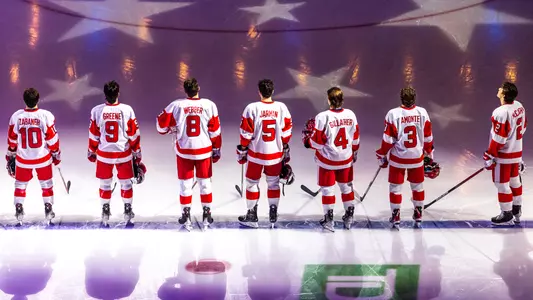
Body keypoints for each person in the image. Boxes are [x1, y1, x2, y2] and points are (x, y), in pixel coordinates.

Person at [156, 78, 222, 230]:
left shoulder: (176, 105)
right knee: (205, 183)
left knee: (185, 185)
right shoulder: (209, 105)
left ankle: (186, 215)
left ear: (185, 90)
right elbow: (215, 131)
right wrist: (216, 149)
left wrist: (170, 129)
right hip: (204, 150)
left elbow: (160, 126)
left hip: (184, 151)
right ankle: (207, 214)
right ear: (198, 88)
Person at [375, 87, 437, 228]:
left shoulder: (393, 114)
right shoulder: (423, 113)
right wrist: (429, 153)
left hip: (398, 159)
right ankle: (419, 213)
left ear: (401, 98)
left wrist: (381, 154)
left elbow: (388, 140)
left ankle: (396, 215)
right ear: (414, 98)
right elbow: (428, 137)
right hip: (416, 157)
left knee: (395, 187)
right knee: (418, 187)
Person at [237, 79, 293, 228]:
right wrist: (284, 145)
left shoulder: (252, 108)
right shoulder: (281, 108)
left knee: (251, 183)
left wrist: (242, 149)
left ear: (259, 92)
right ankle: (273, 213)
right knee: (273, 183)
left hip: (256, 154)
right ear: (273, 91)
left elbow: (245, 133)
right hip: (275, 154)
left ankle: (251, 215)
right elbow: (287, 131)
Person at [88, 80, 146, 226]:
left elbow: (94, 135)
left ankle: (105, 210)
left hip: (104, 154)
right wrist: (137, 152)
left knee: (105, 184)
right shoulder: (127, 110)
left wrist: (91, 151)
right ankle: (127, 210)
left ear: (105, 95)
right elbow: (133, 134)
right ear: (118, 93)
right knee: (126, 183)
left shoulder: (96, 111)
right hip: (123, 154)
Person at [302, 87, 360, 231]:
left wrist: (307, 141)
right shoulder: (351, 115)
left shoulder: (322, 117)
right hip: (346, 159)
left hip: (327, 160)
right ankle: (349, 217)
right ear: (342, 100)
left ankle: (329, 220)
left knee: (328, 190)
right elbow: (356, 137)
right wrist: (354, 152)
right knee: (346, 188)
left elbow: (317, 142)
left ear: (329, 100)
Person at [6, 88, 61, 225]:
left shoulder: (16, 116)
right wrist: (56, 153)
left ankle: (19, 208)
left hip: (23, 159)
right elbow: (52, 139)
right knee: (47, 184)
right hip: (42, 159)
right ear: (38, 99)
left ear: (24, 100)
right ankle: (48, 208)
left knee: (20, 184)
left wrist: (10, 154)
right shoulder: (45, 115)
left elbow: (12, 139)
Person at [483, 82, 526, 225]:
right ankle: (516, 209)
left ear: (504, 94)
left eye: (501, 88)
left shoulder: (500, 112)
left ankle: (506, 213)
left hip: (504, 155)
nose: (498, 88)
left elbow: (499, 138)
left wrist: (490, 154)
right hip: (517, 152)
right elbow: (523, 126)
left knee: (501, 184)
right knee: (515, 181)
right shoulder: (519, 106)